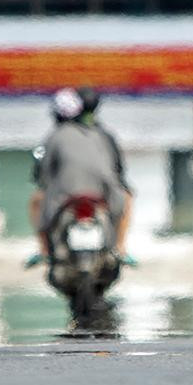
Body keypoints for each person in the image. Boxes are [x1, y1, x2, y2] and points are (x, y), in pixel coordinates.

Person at [26, 87, 135, 267]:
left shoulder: (56, 135)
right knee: (127, 198)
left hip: (65, 195)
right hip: (105, 191)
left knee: (37, 200)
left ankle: (44, 250)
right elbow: (119, 168)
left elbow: (43, 172)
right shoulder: (104, 134)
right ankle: (120, 249)